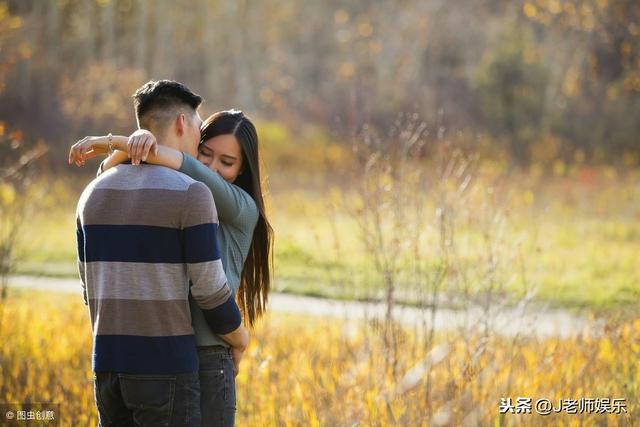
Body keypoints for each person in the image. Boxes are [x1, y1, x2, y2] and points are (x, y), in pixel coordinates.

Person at [70, 104, 273, 426]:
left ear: (243, 170)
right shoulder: (179, 197)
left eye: (227, 162)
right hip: (167, 356)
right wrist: (136, 142)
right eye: (205, 153)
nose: (213, 167)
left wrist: (120, 141)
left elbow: (189, 167)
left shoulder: (240, 207)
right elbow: (107, 184)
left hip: (209, 357)